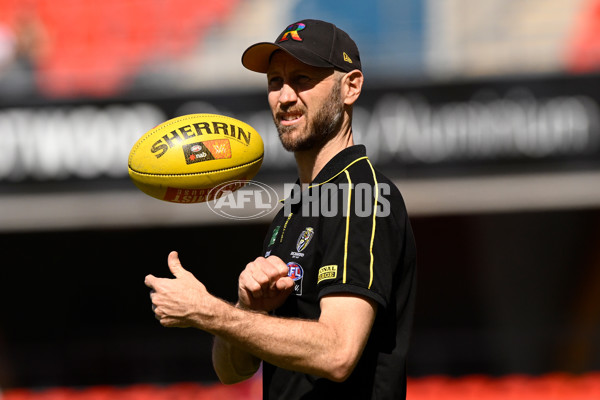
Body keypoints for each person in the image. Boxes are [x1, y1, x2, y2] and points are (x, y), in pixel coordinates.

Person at [145, 19, 417, 400]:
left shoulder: (361, 195)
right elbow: (232, 371)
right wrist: (247, 307)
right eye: (275, 81)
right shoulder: (292, 210)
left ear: (350, 87)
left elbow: (338, 352)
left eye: (303, 79)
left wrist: (208, 311)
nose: (285, 96)